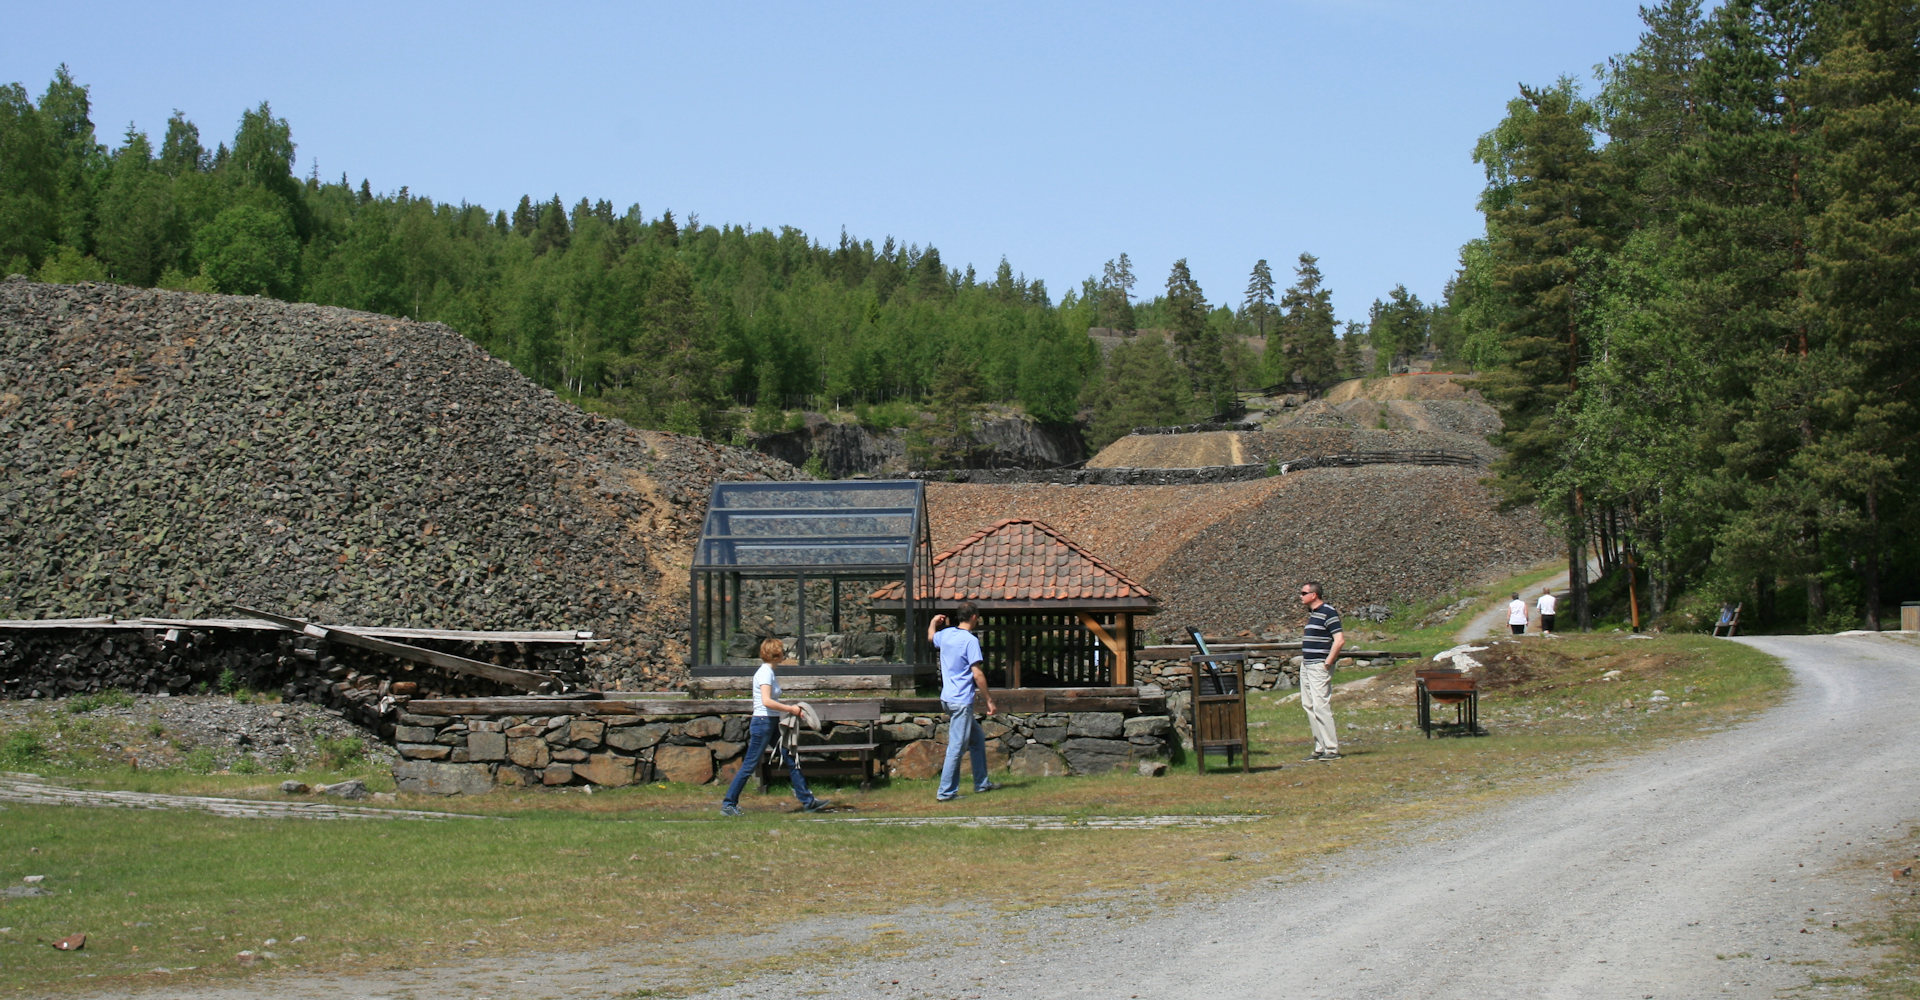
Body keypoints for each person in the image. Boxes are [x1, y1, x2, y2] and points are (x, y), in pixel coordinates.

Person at [719, 637, 829, 816]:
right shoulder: (764, 673)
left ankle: (807, 801)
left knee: (791, 757)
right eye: (781, 651)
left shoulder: (769, 672)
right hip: (763, 723)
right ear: (775, 654)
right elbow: (766, 701)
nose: (784, 654)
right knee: (750, 764)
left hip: (770, 722)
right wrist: (791, 709)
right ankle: (729, 804)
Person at [928, 602, 1000, 801]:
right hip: (960, 700)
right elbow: (977, 674)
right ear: (974, 617)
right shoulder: (970, 641)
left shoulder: (947, 634)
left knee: (976, 740)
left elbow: (931, 637)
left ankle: (982, 783)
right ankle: (946, 792)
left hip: (947, 699)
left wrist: (934, 622)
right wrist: (989, 700)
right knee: (957, 746)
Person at [1298, 582, 1346, 761]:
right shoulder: (1313, 615)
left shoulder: (1328, 612)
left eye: (1304, 593)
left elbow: (1339, 639)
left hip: (1319, 665)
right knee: (1309, 705)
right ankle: (1320, 747)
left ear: (1314, 595)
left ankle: (1332, 749)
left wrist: (1328, 662)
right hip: (1307, 664)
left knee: (1320, 705)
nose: (1300, 596)